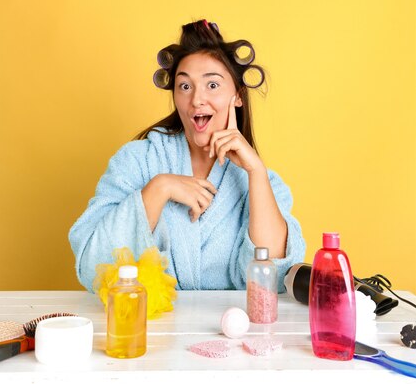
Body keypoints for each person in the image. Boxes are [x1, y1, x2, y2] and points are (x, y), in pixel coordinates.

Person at [69, 20, 305, 292]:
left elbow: (273, 283)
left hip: (228, 331)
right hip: (150, 325)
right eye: (184, 86)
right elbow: (91, 267)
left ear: (238, 96)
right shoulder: (136, 161)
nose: (196, 99)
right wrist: (159, 189)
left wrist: (256, 174)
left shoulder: (263, 183)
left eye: (212, 85)